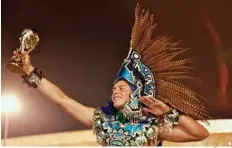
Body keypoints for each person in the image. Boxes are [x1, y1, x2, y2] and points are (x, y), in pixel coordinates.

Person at [14, 3, 210, 146]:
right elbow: (62, 100)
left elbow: (200, 134)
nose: (115, 91)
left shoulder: (152, 128)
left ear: (136, 93)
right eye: (114, 88)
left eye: (122, 88)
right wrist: (30, 71)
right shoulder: (102, 120)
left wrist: (168, 112)